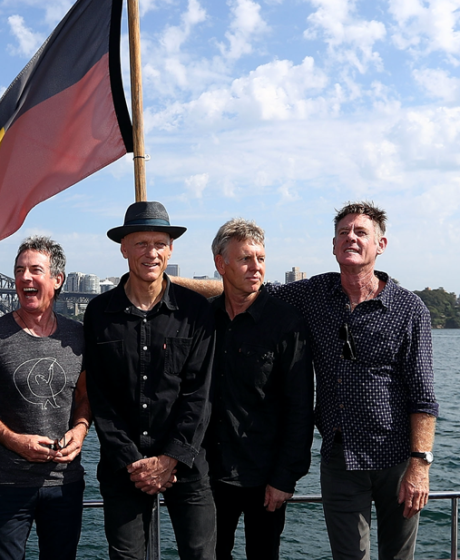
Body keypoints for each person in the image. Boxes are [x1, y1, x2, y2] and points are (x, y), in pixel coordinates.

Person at [177, 201, 438, 560]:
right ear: (333, 246)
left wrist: (419, 466)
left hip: (396, 458)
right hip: (339, 457)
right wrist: (164, 281)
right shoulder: (314, 295)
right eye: (343, 232)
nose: (351, 238)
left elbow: (424, 396)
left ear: (381, 244)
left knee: (397, 556)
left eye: (361, 232)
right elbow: (244, 288)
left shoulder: (409, 310)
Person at [83, 201, 216, 560]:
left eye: (159, 244)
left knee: (201, 554)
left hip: (185, 462)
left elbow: (199, 393)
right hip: (123, 465)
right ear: (124, 248)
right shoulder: (99, 313)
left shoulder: (195, 312)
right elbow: (101, 397)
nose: (151, 253)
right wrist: (132, 460)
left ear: (170, 249)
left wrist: (170, 458)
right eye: (141, 244)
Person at [0, 236, 91, 560]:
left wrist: (80, 430)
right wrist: (16, 441)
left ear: (57, 279)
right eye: (19, 270)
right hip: (6, 485)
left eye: (35, 270)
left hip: (65, 483)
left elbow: (85, 398)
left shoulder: (78, 336)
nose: (24, 278)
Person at [205, 219, 314, 560]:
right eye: (245, 259)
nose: (256, 268)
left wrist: (285, 479)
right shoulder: (203, 320)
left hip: (265, 478)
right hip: (209, 476)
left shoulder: (286, 323)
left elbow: (300, 409)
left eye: (261, 259)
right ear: (221, 264)